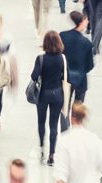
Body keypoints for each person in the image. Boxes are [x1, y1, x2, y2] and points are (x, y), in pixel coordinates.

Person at [32, 31, 67, 165]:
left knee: (41, 122)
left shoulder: (41, 59)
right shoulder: (62, 58)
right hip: (58, 93)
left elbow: (34, 76)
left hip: (43, 94)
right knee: (54, 124)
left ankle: (42, 149)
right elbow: (65, 76)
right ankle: (52, 154)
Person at [60, 11, 95, 106]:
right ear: (81, 23)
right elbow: (90, 65)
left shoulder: (63, 36)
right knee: (78, 106)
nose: (87, 22)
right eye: (86, 20)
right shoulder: (87, 43)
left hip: (65, 77)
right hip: (81, 80)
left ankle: (65, 120)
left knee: (65, 106)